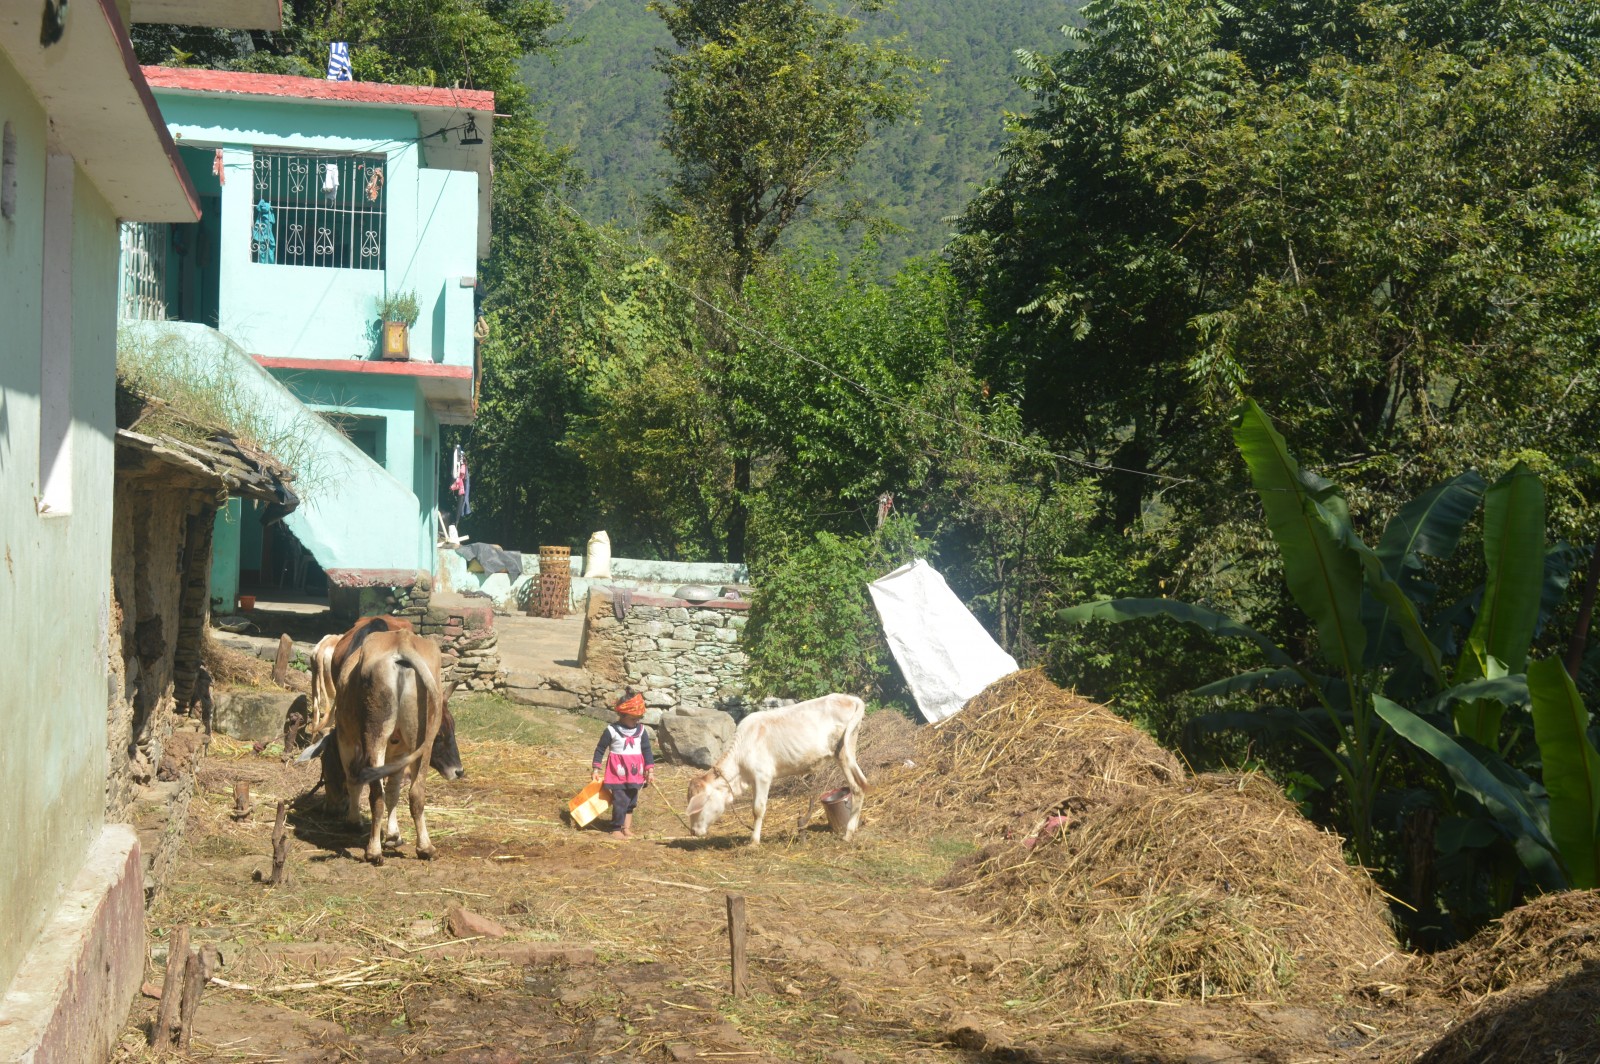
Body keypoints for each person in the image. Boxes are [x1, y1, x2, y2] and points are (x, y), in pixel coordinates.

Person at [592, 693, 654, 839]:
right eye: (633, 719)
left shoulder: (641, 731)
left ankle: (626, 828)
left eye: (638, 718)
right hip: (617, 772)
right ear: (622, 714)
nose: (636, 721)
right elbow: (600, 749)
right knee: (620, 800)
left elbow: (647, 750)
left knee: (631, 801)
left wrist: (649, 770)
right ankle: (615, 828)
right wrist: (596, 768)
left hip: (635, 773)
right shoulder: (611, 730)